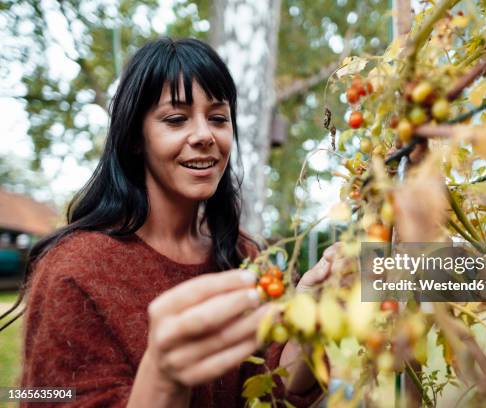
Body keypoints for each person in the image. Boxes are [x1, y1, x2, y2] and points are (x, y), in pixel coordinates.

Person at [18, 38, 337, 407]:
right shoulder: (72, 272)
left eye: (218, 118)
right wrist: (163, 375)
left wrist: (313, 310)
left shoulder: (243, 254)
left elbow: (277, 388)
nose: (204, 135)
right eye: (175, 119)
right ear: (136, 137)